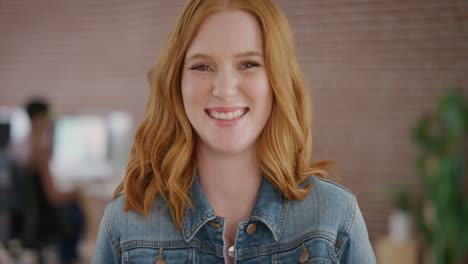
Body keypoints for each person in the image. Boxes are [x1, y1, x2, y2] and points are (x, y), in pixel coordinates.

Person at [93, 0, 376, 263]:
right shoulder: (124, 226)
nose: (225, 90)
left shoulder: (336, 215)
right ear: (176, 83)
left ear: (278, 80)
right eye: (202, 66)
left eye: (248, 64)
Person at [10, 99, 83, 264]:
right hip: (43, 218)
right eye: (49, 116)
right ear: (39, 118)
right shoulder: (39, 152)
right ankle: (72, 257)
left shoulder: (17, 146)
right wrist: (77, 191)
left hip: (25, 215)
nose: (51, 120)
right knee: (79, 204)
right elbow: (54, 197)